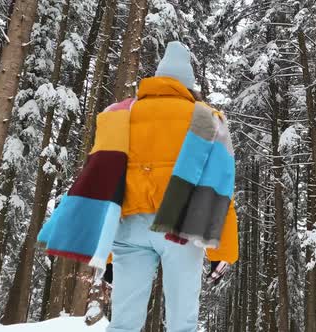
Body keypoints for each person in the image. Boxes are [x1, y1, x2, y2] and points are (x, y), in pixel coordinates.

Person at [37, 41, 238, 332]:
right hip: (180, 227)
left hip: (128, 228)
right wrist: (223, 250)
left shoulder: (119, 114)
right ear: (188, 83)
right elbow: (219, 187)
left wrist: (104, 253)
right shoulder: (207, 118)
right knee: (183, 323)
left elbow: (101, 180)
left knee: (124, 323)